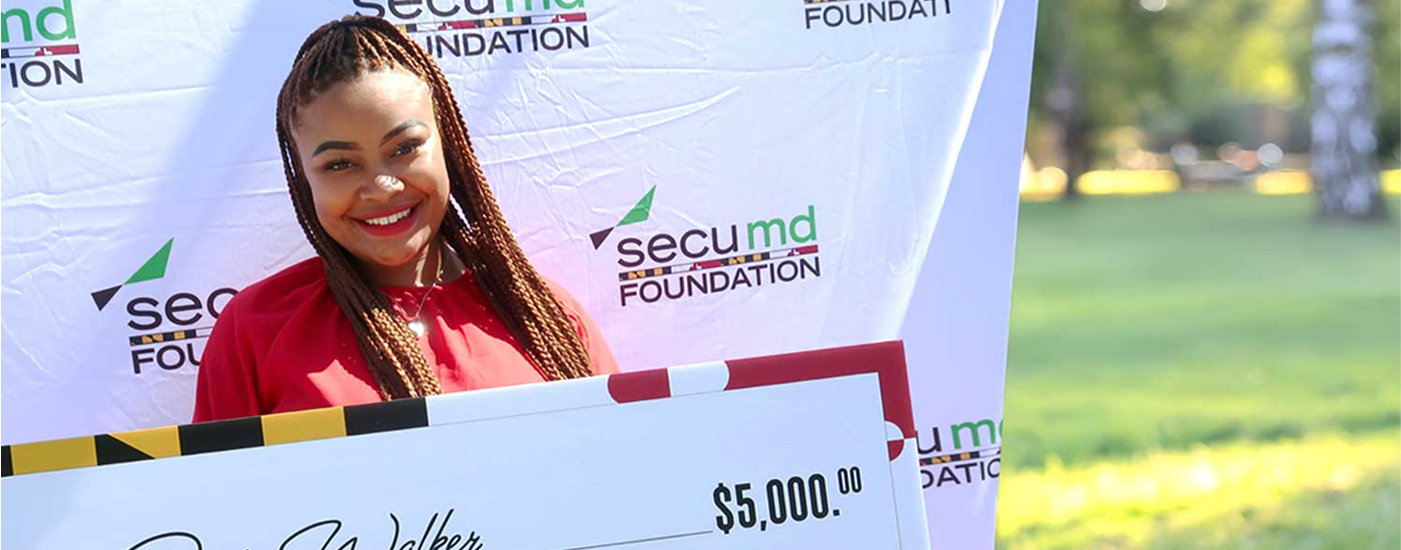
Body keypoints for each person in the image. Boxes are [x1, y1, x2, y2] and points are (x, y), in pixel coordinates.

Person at [193, 15, 617, 422]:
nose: (382, 187)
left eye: (404, 148)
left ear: (447, 143)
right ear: (304, 179)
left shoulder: (543, 315)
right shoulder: (254, 331)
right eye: (339, 164)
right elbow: (221, 475)